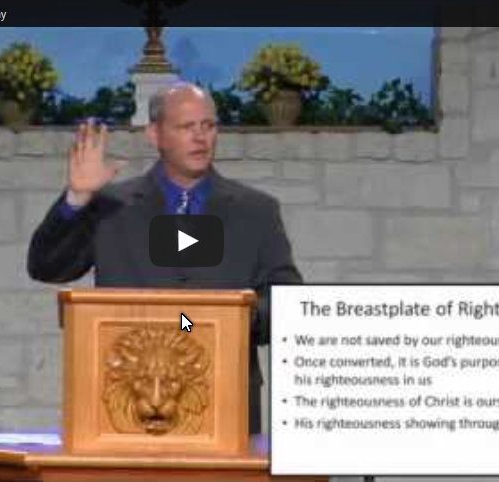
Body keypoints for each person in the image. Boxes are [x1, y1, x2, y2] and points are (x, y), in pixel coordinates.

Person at [27, 81, 302, 434]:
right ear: (155, 134)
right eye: (187, 127)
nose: (201, 137)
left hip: (227, 405)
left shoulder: (256, 211)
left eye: (208, 126)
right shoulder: (112, 207)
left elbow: (287, 305)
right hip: (127, 407)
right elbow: (46, 265)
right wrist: (77, 199)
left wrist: (237, 315)